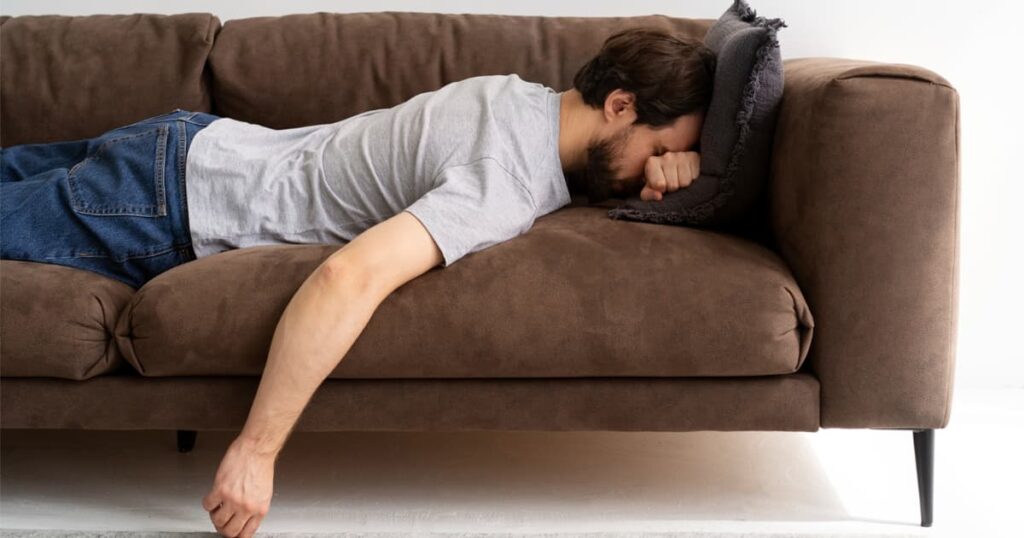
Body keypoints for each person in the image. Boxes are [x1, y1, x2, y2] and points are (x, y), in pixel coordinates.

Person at [1, 26, 715, 537]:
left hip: (184, 142)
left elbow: (594, 166)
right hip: (162, 205)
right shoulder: (505, 180)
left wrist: (661, 180)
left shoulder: (519, 98)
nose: (661, 162)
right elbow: (349, 276)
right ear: (621, 105)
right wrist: (256, 452)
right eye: (663, 148)